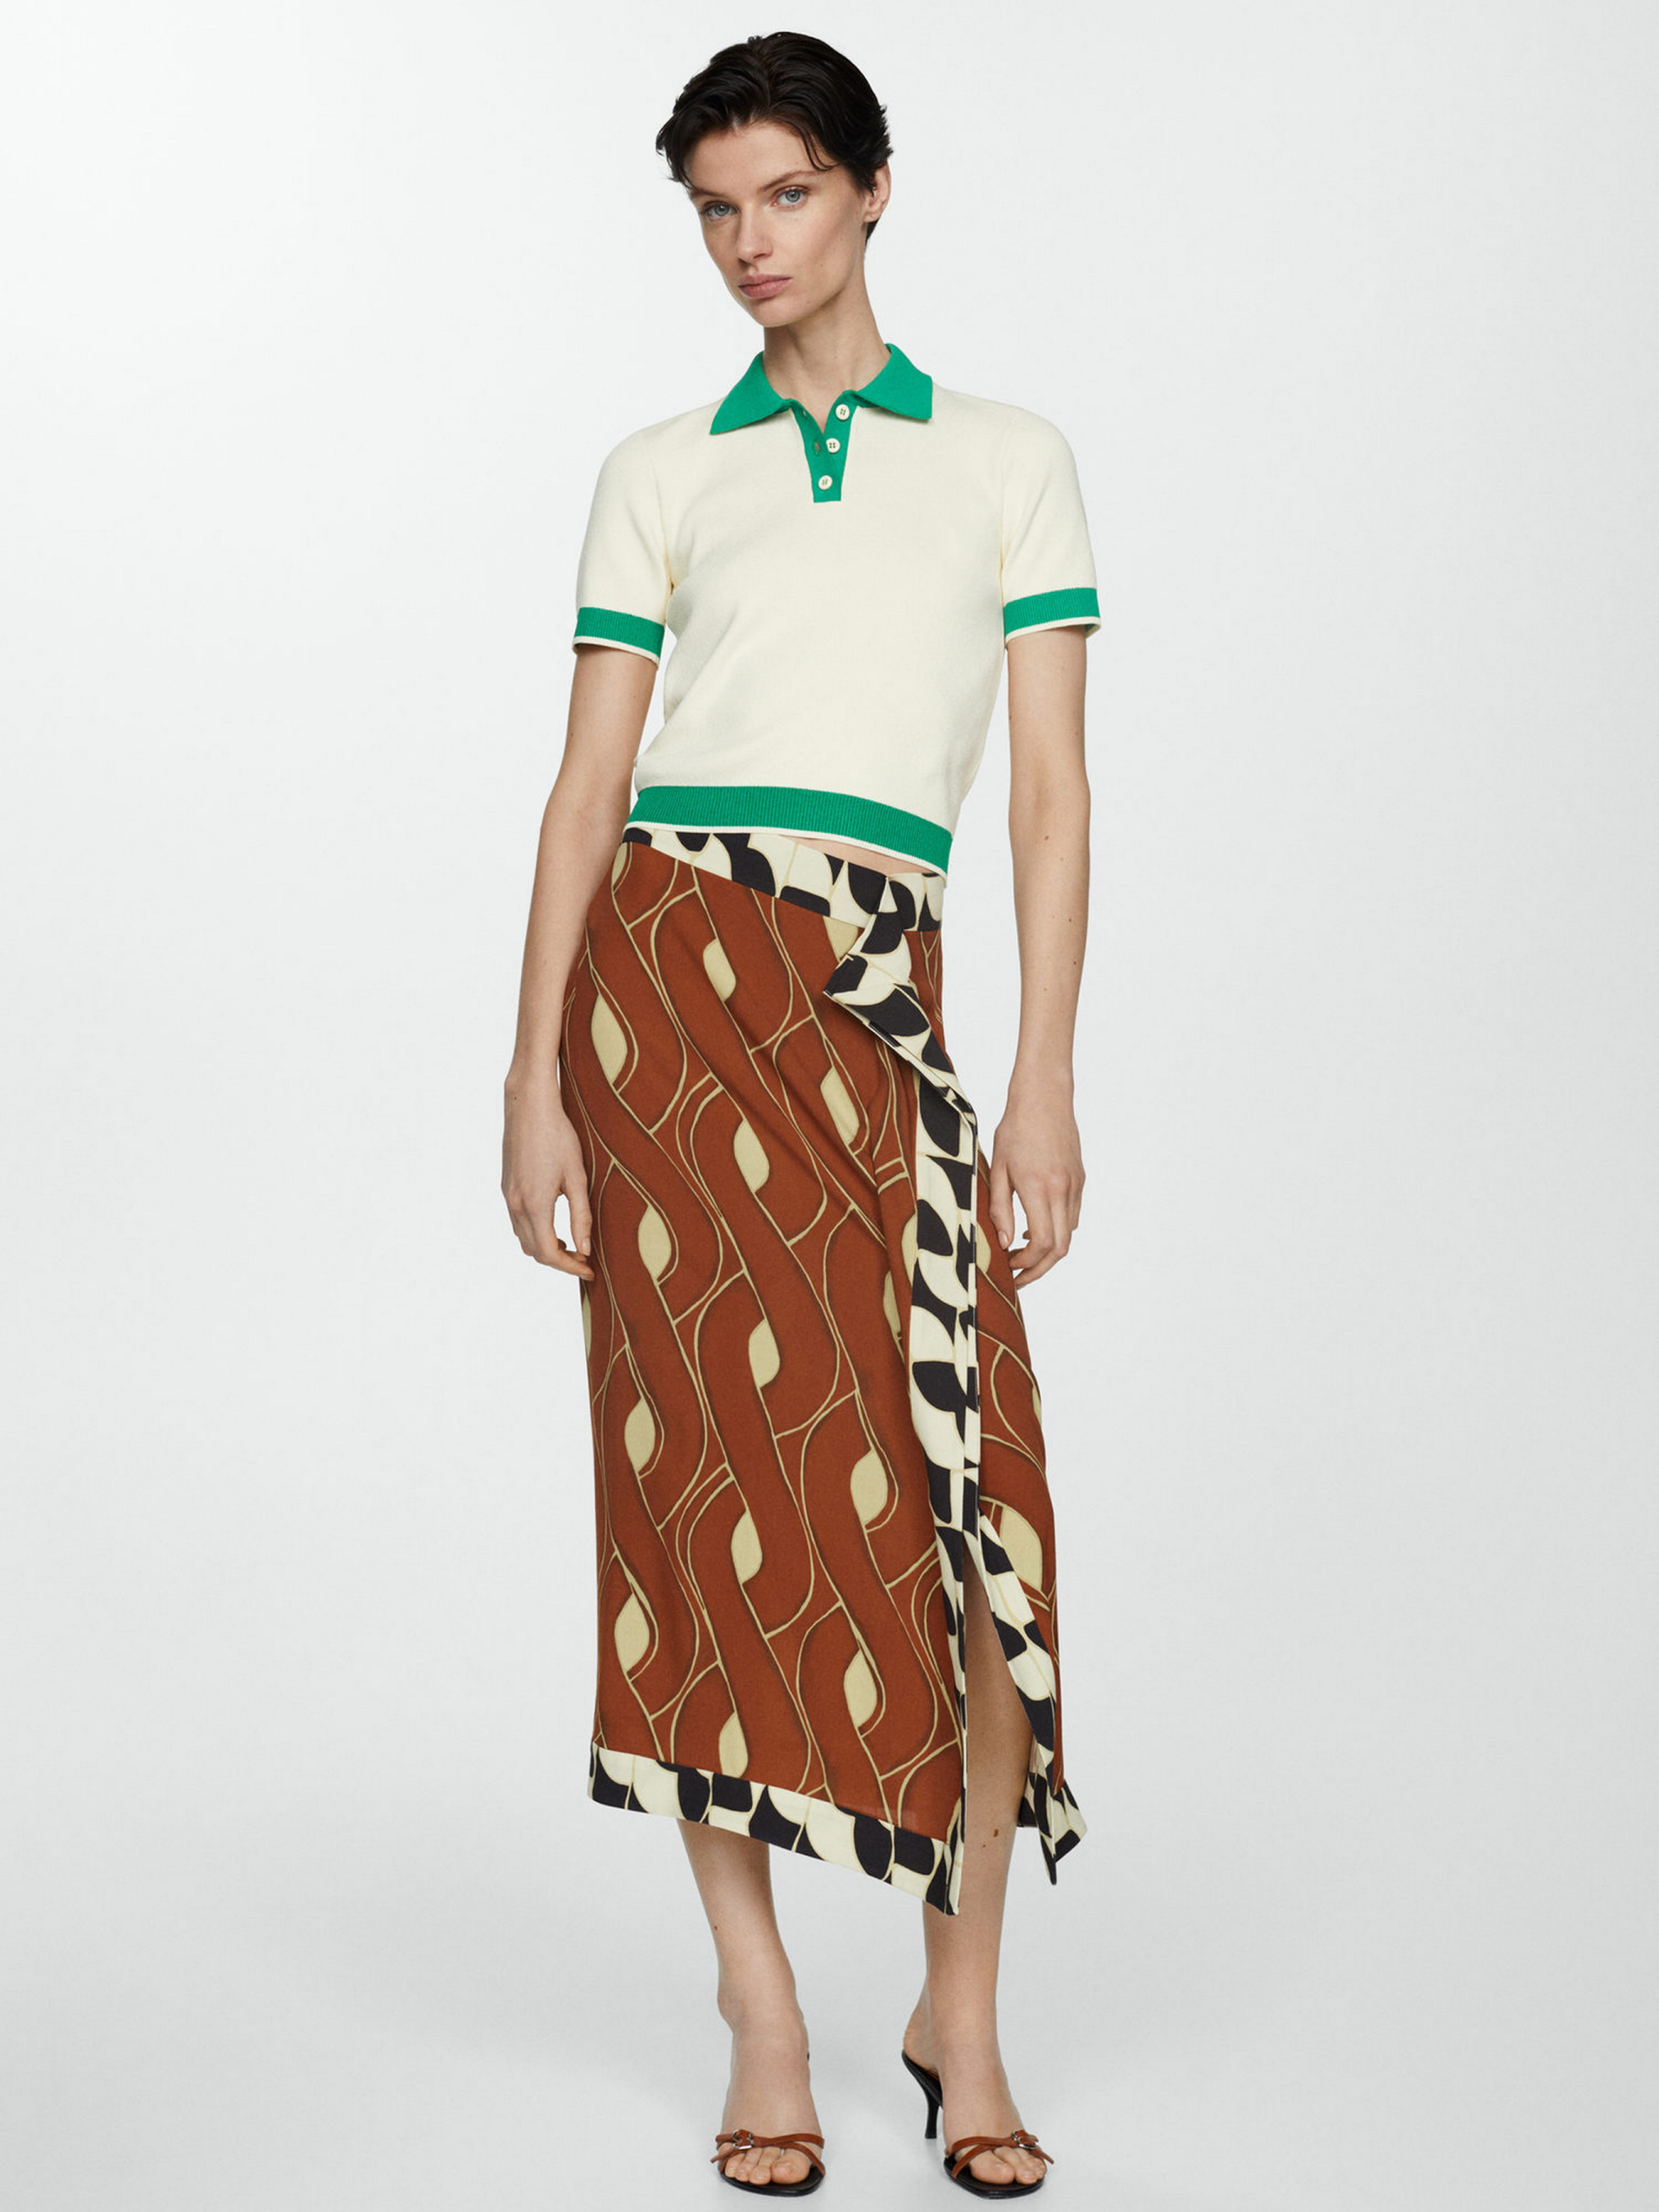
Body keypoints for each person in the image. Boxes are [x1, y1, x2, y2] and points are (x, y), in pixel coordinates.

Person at [502, 31, 1098, 2199]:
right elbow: (589, 784)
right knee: (698, 1495)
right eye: (714, 211)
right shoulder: (661, 469)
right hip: (668, 999)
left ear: (868, 190)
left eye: (783, 196)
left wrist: (1037, 1075)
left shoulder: (1008, 458)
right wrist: (531, 1078)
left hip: (875, 1000)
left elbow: (1046, 796)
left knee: (976, 1497)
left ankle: (961, 2006)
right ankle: (759, 2006)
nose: (748, 245)